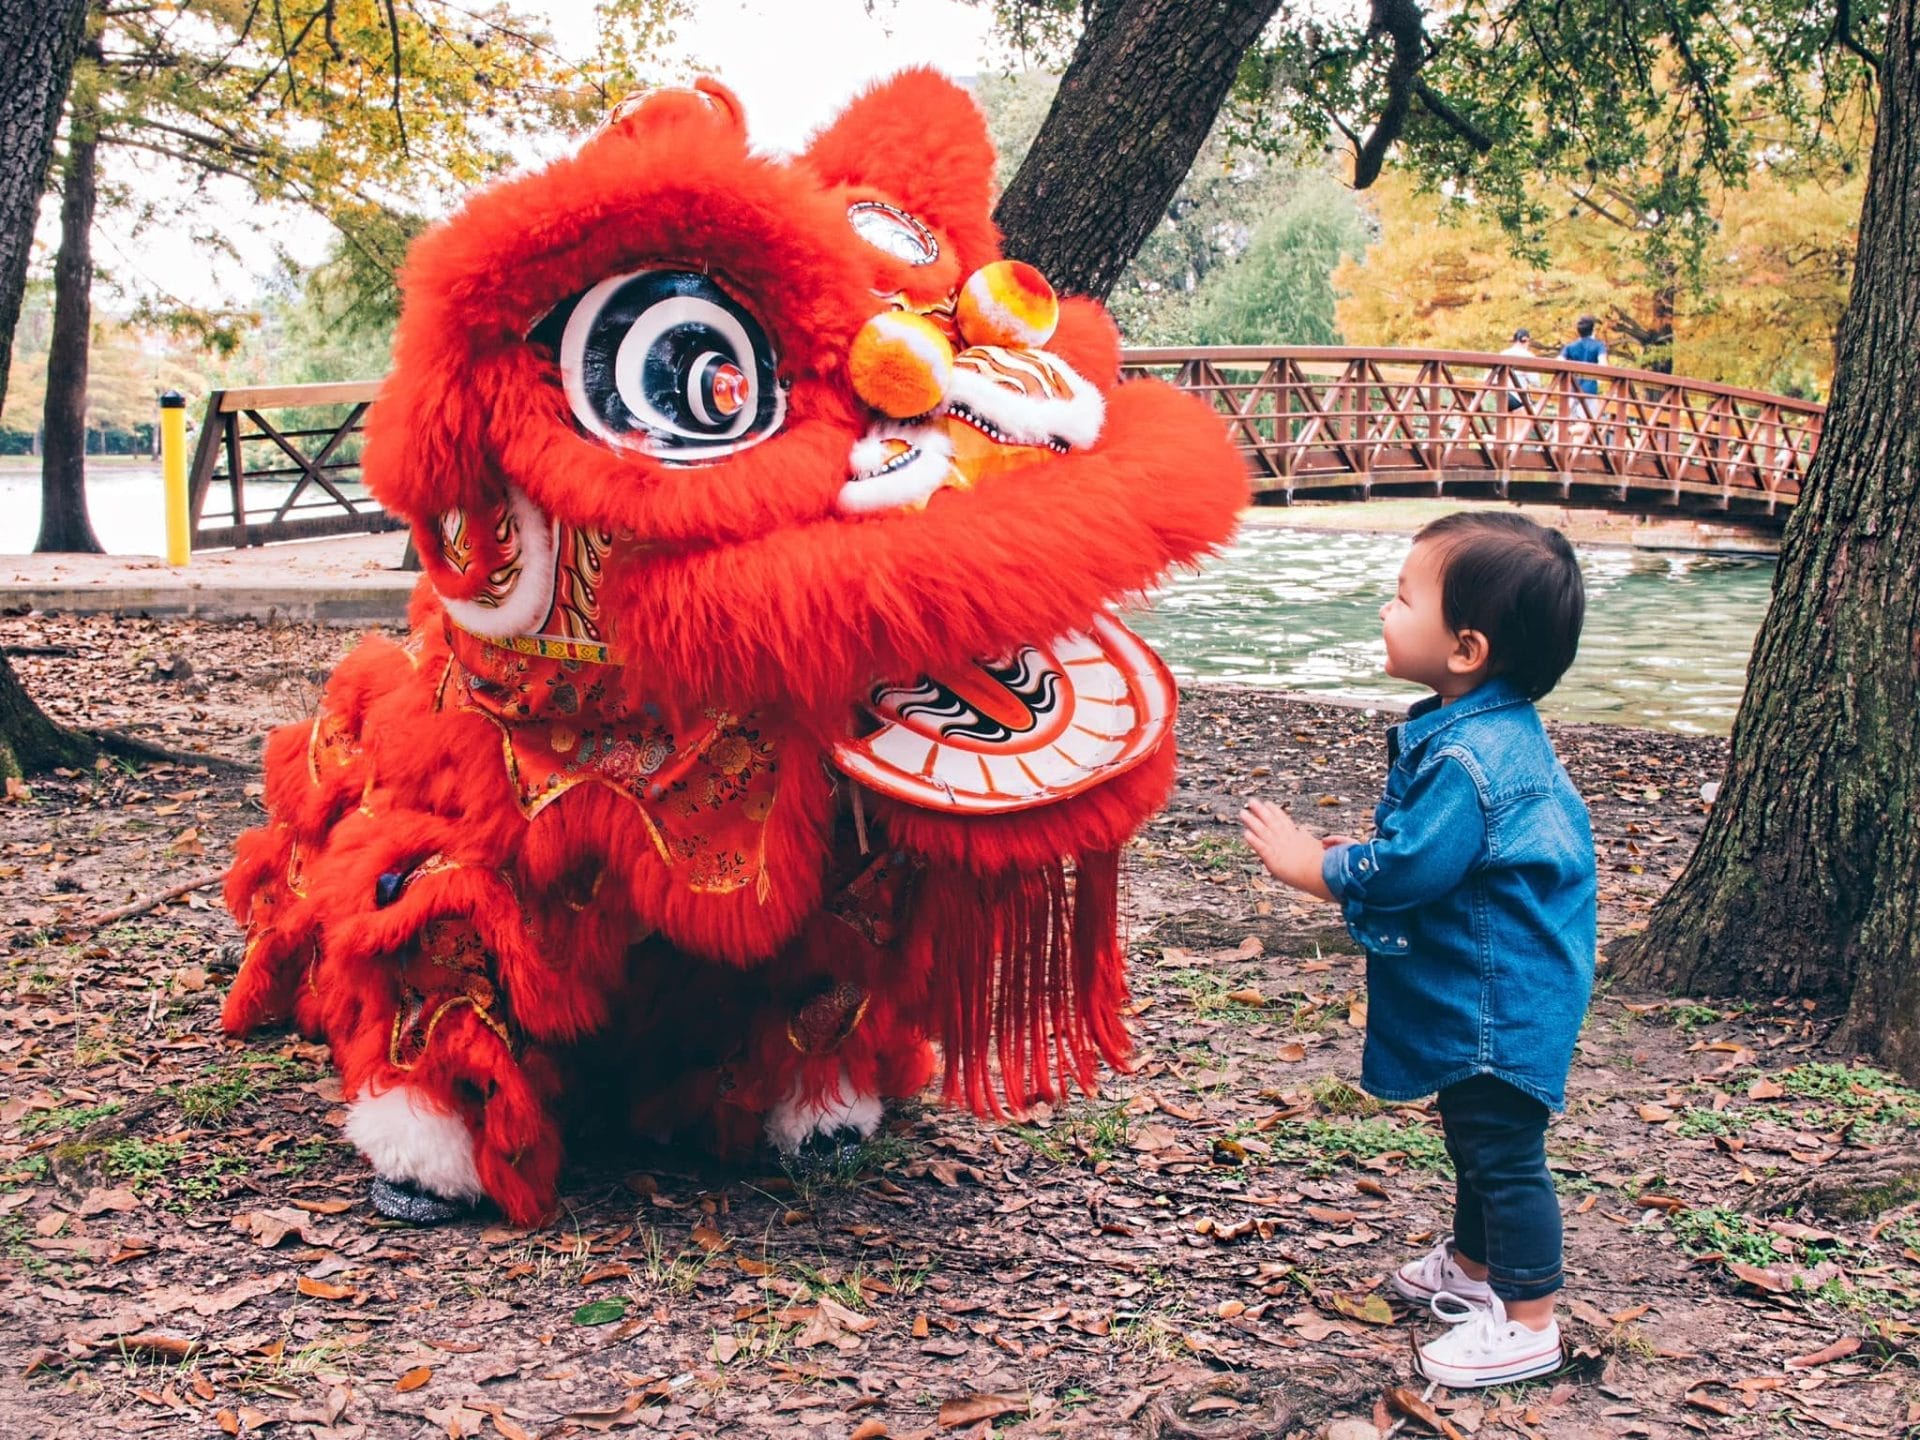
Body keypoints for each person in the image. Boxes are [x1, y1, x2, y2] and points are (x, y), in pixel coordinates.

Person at [1239, 510, 1596, 1389]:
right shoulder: (1475, 729)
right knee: (1475, 1135)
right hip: (1499, 981)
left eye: (1404, 600)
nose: (1385, 612)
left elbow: (1412, 869)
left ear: (1466, 648)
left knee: (1503, 1152)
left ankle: (1529, 1323)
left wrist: (1317, 867)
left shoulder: (1473, 757)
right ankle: (1475, 1273)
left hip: (1500, 995)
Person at [1560, 316, 1607, 423]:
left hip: (1571, 389)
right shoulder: (1598, 346)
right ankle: (1571, 432)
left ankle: (1568, 432)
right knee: (1589, 424)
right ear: (1593, 330)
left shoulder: (1569, 347)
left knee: (1566, 421)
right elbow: (1603, 364)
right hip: (1589, 390)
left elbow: (1558, 362)